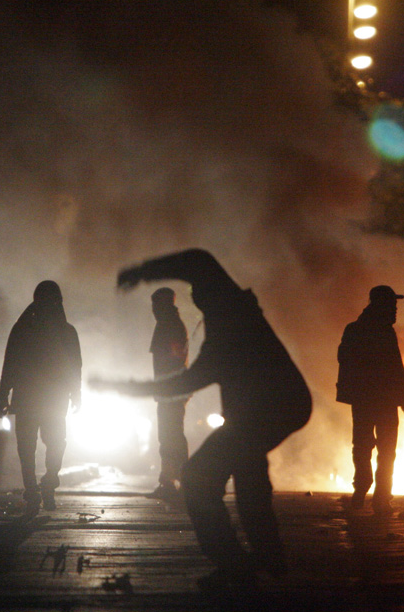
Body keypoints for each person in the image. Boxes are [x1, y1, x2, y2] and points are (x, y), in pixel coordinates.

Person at [92, 249, 312, 594]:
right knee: (248, 473)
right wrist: (143, 271)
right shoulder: (236, 315)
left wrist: (121, 388)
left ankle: (243, 563)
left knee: (199, 477)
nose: (198, 293)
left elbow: (183, 380)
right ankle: (267, 557)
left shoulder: (228, 325)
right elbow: (198, 264)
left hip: (267, 410)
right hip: (279, 407)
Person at [0, 281, 82, 515]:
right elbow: (76, 367)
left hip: (27, 398)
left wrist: (3, 395)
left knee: (27, 447)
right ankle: (48, 485)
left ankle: (33, 491)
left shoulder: (22, 328)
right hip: (54, 399)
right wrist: (77, 394)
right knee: (55, 444)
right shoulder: (66, 331)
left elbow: (10, 364)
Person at [336, 285, 404, 515]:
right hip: (381, 400)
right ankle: (380, 497)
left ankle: (364, 490)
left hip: (365, 400)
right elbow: (394, 367)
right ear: (380, 305)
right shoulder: (378, 332)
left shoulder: (355, 329)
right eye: (392, 304)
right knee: (385, 449)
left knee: (364, 446)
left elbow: (345, 358)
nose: (395, 309)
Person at [147, 287, 190, 503]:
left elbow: (174, 360)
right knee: (168, 436)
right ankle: (169, 481)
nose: (153, 309)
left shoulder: (170, 326)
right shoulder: (167, 324)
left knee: (172, 436)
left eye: (156, 304)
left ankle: (181, 482)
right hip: (168, 390)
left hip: (172, 391)